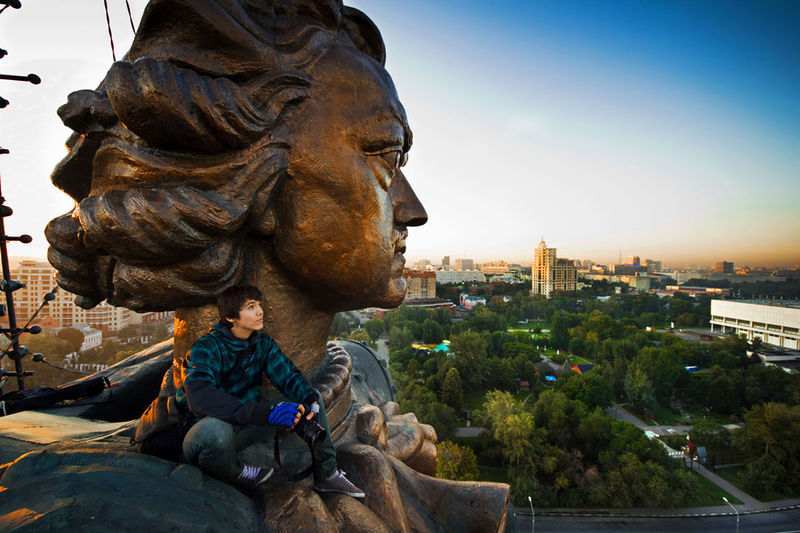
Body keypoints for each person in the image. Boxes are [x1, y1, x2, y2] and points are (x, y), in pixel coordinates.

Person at [177, 284, 364, 496]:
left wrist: (309, 399)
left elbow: (287, 375)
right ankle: (239, 473)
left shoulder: (262, 344)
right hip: (203, 434)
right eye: (251, 307)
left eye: (259, 305)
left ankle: (327, 473)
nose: (260, 311)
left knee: (311, 398)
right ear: (231, 317)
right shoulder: (206, 348)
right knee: (215, 431)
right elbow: (200, 399)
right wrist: (266, 414)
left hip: (243, 426)